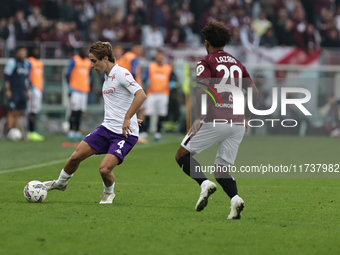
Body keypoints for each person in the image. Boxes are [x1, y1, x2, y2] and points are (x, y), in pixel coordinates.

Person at [43, 41, 146, 204]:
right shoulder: (107, 78)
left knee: (104, 169)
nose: (91, 65)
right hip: (106, 129)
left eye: (94, 61)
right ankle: (61, 183)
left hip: (124, 134)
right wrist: (130, 115)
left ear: (105, 58)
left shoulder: (121, 73)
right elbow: (121, 101)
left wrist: (128, 118)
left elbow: (141, 95)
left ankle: (109, 193)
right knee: (76, 156)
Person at [174, 20, 258, 219]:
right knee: (221, 171)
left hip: (214, 119)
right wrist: (246, 116)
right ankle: (235, 200)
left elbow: (202, 88)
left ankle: (204, 184)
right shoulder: (237, 63)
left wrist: (198, 117)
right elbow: (253, 91)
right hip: (237, 123)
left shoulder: (206, 62)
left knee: (181, 156)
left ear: (207, 43)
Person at [141, 50, 175, 141]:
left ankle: (158, 133)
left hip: (163, 94)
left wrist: (172, 84)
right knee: (148, 113)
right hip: (151, 93)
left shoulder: (168, 68)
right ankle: (144, 132)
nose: (160, 57)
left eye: (161, 56)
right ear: (155, 57)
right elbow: (144, 78)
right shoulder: (151, 67)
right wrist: (146, 82)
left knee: (161, 114)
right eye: (158, 56)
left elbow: (173, 79)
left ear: (163, 57)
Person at [118, 42, 148, 144]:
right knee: (140, 109)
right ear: (134, 48)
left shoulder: (124, 57)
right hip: (133, 87)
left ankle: (126, 131)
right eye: (139, 48)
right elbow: (134, 72)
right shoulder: (133, 58)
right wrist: (133, 86)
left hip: (123, 87)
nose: (140, 51)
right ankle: (139, 132)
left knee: (127, 109)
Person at [66, 48, 92, 140]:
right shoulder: (74, 60)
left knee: (80, 112)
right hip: (75, 90)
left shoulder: (88, 62)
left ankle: (77, 131)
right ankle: (70, 131)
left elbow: (89, 75)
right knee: (74, 111)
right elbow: (67, 74)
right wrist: (69, 89)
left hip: (84, 90)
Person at [4, 46, 30, 136]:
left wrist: (27, 91)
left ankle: (15, 131)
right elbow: (6, 77)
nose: (23, 54)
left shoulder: (26, 63)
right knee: (12, 110)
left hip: (22, 90)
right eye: (21, 52)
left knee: (19, 111)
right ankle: (8, 131)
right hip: (13, 90)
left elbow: (26, 79)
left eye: (24, 52)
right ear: (17, 52)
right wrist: (8, 90)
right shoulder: (12, 62)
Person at [27, 46, 45, 141]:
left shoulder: (40, 63)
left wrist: (43, 91)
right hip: (32, 89)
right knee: (30, 110)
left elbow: (41, 78)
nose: (37, 51)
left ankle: (32, 131)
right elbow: (26, 75)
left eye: (38, 50)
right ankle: (29, 131)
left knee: (34, 111)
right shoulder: (29, 61)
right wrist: (29, 87)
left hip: (39, 89)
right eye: (35, 49)